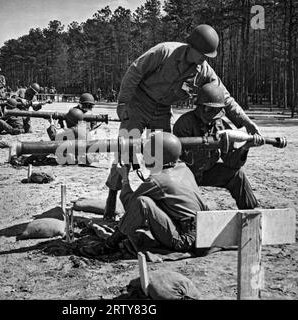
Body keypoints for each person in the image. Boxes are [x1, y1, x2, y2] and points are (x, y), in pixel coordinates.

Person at [103, 24, 262, 220]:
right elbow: (135, 71)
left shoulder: (204, 71)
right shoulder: (164, 52)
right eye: (203, 54)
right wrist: (124, 103)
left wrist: (246, 122)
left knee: (163, 158)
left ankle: (160, 208)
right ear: (191, 47)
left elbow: (225, 98)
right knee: (125, 151)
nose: (205, 59)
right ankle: (111, 199)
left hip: (162, 111)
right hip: (139, 103)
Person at [80, 132, 208, 256]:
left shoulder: (158, 180)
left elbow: (131, 206)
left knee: (143, 202)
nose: (144, 155)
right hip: (202, 233)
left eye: (148, 152)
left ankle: (109, 245)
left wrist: (125, 177)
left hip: (183, 241)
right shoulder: (183, 169)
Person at [173, 82, 262, 209]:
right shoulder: (185, 123)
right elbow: (175, 161)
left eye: (216, 110)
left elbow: (231, 162)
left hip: (207, 172)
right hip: (186, 175)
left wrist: (245, 148)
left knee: (238, 176)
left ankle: (251, 214)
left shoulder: (221, 126)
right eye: (209, 109)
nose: (212, 114)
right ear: (199, 106)